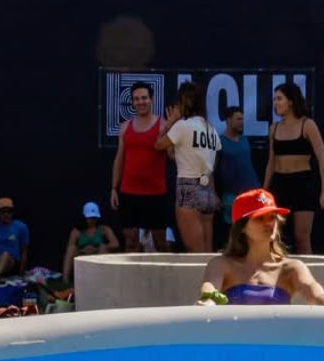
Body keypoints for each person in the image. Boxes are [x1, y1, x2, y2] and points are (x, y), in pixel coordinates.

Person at [197, 188, 324, 306]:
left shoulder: (291, 268)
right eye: (259, 218)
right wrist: (208, 300)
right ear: (242, 227)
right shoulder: (221, 264)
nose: (269, 224)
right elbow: (210, 287)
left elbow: (312, 289)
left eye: (272, 217)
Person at [263, 83, 324, 255]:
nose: (276, 103)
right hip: (279, 183)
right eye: (274, 99)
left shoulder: (307, 125)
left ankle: (305, 271)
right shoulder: (274, 128)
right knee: (275, 237)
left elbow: (322, 158)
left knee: (302, 237)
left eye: (279, 99)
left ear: (291, 101)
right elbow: (271, 162)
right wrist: (264, 190)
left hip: (303, 184)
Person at [156, 81, 221, 253]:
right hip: (208, 188)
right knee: (207, 251)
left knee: (195, 252)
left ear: (184, 102)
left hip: (188, 186)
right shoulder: (211, 129)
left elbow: (158, 144)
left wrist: (169, 123)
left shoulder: (182, 126)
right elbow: (205, 160)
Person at [110, 80, 168, 253]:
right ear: (132, 102)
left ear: (151, 99)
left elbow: (172, 155)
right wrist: (114, 188)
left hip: (156, 193)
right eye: (136, 99)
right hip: (129, 192)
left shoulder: (163, 125)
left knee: (160, 243)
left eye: (144, 98)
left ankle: (163, 272)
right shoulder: (125, 127)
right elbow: (119, 159)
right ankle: (132, 273)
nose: (140, 102)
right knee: (130, 242)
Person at [215, 106, 259, 231]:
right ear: (228, 120)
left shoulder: (244, 139)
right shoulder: (220, 142)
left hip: (252, 193)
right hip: (232, 196)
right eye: (238, 119)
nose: (242, 122)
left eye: (242, 119)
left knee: (252, 230)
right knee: (233, 231)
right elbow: (212, 170)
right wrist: (213, 193)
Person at [63, 201, 120, 281]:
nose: (92, 220)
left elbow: (116, 244)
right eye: (90, 218)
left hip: (98, 255)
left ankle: (101, 278)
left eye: (94, 217)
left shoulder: (104, 229)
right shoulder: (76, 232)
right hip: (82, 256)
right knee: (71, 249)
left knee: (103, 248)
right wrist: (82, 250)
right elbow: (70, 248)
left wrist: (100, 247)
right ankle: (65, 279)